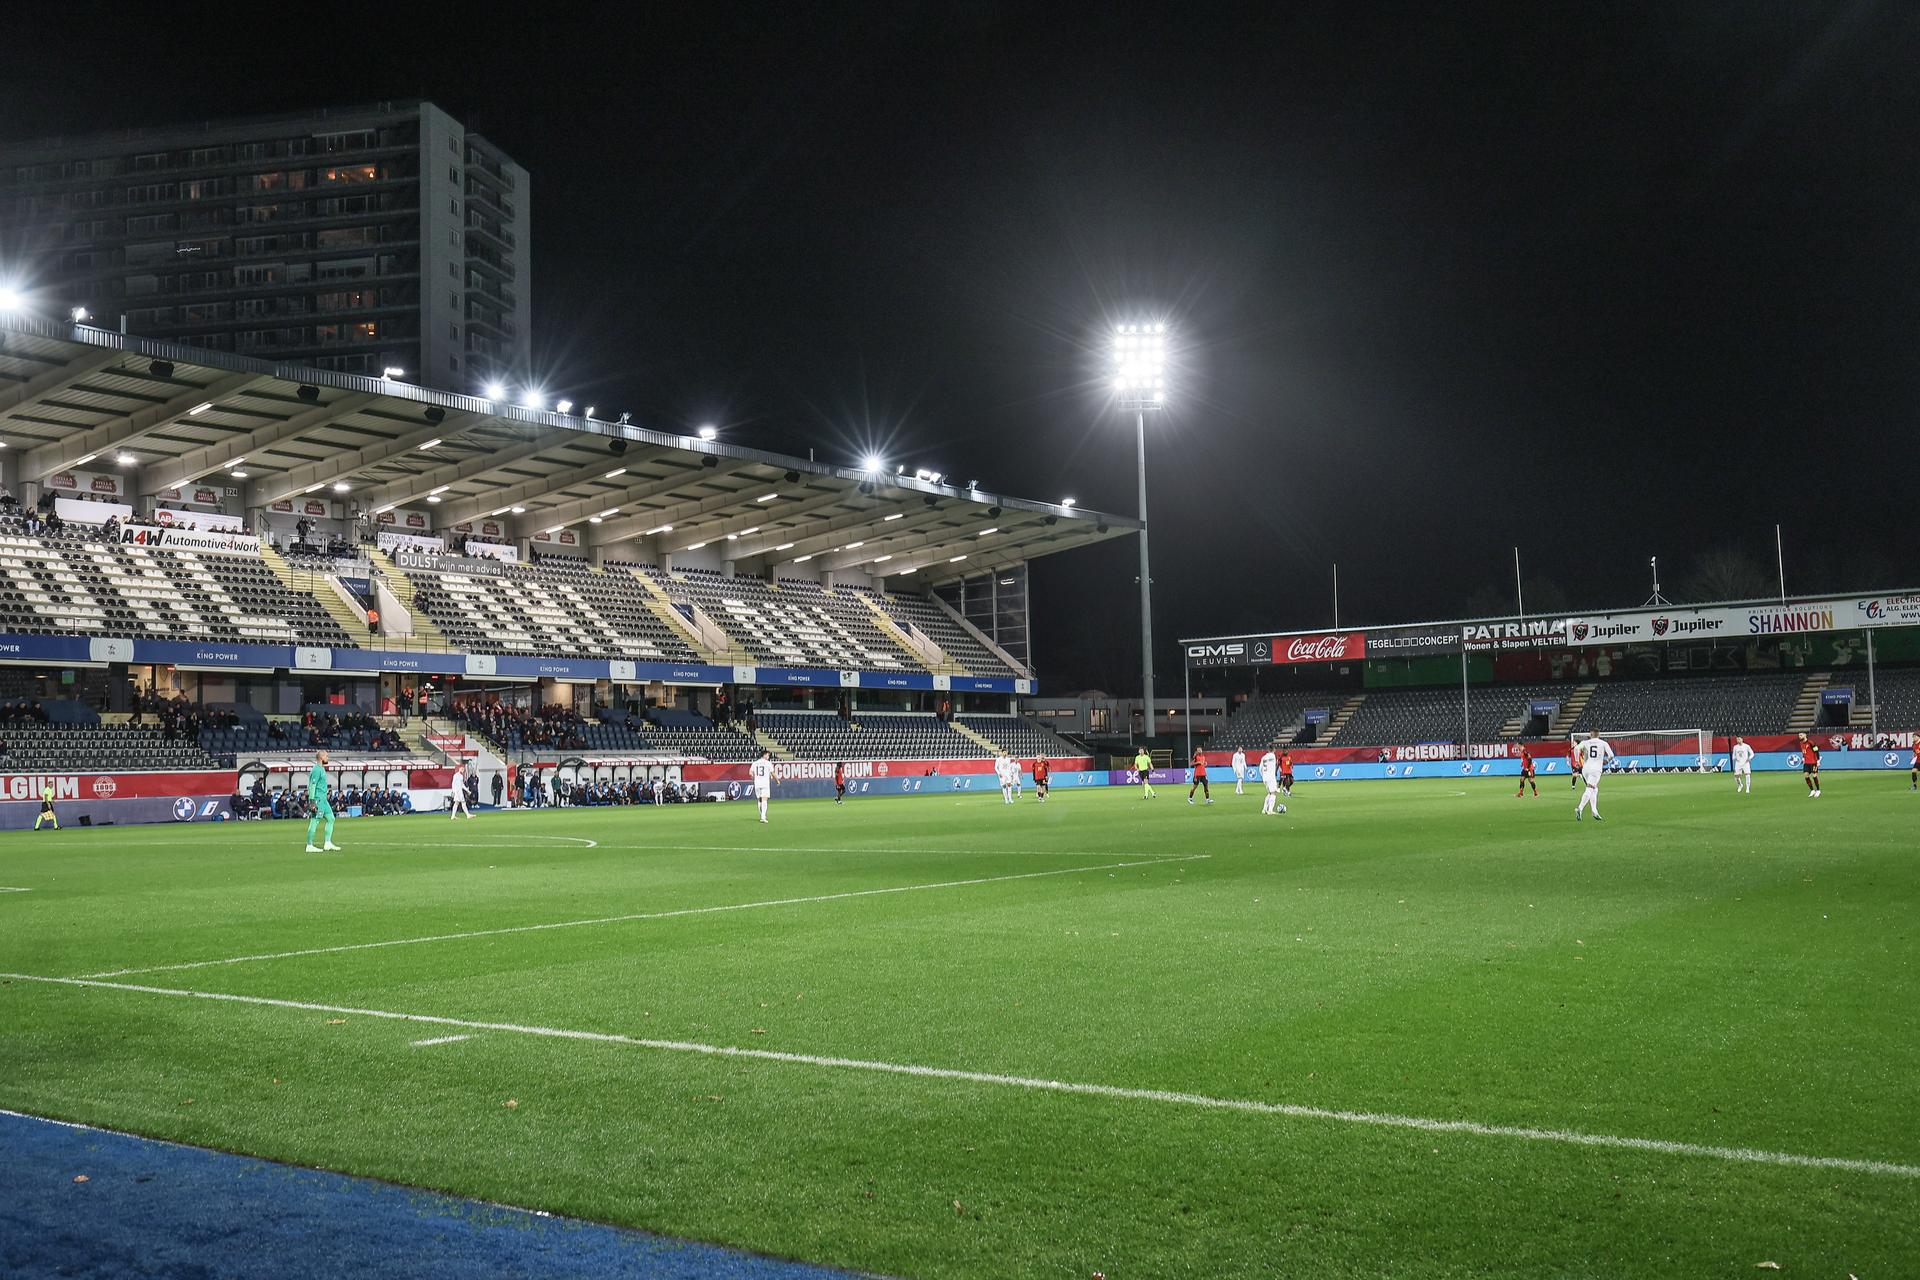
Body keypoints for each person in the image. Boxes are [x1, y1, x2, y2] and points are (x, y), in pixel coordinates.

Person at [1574, 733, 1615, 821]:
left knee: (1594, 789)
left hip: (1586, 768)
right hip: (1596, 769)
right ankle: (1579, 808)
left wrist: (1577, 761)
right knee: (1590, 789)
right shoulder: (1603, 743)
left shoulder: (1585, 742)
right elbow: (1611, 755)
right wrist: (1607, 761)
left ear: (1591, 734)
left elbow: (1576, 748)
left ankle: (1594, 811)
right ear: (1598, 734)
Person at [305, 750, 341, 851]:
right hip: (318, 799)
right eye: (326, 756)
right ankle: (309, 845)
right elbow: (312, 786)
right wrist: (312, 802)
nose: (328, 758)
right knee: (315, 821)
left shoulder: (321, 769)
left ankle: (328, 843)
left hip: (324, 800)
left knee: (331, 819)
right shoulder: (316, 770)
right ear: (321, 757)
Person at [1259, 749, 1286, 816]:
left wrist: (1263, 776)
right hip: (1271, 777)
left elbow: (1260, 769)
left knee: (1270, 793)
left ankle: (1264, 809)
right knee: (1273, 793)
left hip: (1265, 777)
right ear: (1273, 750)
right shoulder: (1273, 756)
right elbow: (1275, 765)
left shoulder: (1263, 757)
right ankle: (1270, 810)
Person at [750, 749, 774, 823]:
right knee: (764, 799)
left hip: (757, 783)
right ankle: (763, 817)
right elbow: (772, 773)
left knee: (760, 799)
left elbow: (750, 773)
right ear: (764, 755)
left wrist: (755, 778)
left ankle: (761, 815)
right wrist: (777, 780)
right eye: (767, 755)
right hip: (765, 783)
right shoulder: (768, 763)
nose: (768, 756)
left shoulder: (755, 763)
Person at [1797, 732, 1821, 798]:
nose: (1799, 736)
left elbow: (1816, 751)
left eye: (1801, 735)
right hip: (1806, 763)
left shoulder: (1811, 742)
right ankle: (1812, 790)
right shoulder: (1801, 743)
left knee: (1814, 776)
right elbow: (1804, 752)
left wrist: (1818, 761)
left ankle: (1818, 790)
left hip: (1813, 762)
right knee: (1806, 776)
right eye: (1799, 735)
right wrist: (1803, 758)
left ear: (1805, 735)